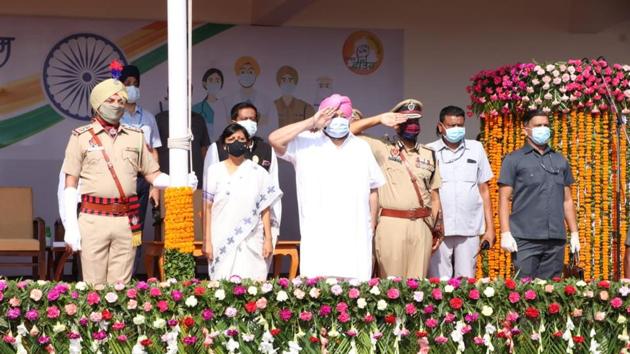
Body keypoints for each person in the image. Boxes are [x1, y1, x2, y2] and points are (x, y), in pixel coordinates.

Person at [61, 77, 196, 285]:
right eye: (111, 100)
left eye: (120, 101)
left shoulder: (135, 136)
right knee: (94, 287)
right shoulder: (80, 137)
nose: (116, 105)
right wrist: (70, 226)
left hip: (126, 221)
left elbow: (153, 175)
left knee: (121, 288)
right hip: (93, 219)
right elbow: (70, 184)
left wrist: (179, 181)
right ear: (97, 103)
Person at [269, 94, 385, 280]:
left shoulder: (361, 148)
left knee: (355, 297)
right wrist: (311, 122)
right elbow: (274, 139)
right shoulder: (306, 142)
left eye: (342, 116)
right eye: (333, 115)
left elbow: (373, 190)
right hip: (319, 239)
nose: (338, 120)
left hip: (354, 239)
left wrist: (370, 225)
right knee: (320, 296)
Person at [349, 99, 442, 278]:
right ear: (396, 125)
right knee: (392, 289)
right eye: (406, 122)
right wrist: (379, 118)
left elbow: (435, 196)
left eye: (415, 121)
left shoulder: (429, 154)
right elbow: (350, 131)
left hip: (422, 226)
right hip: (392, 223)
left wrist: (435, 230)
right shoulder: (382, 147)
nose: (412, 126)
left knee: (418, 289)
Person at [498, 109, 579, 279]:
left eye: (546, 125)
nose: (543, 129)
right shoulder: (513, 159)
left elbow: (567, 200)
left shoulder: (560, 160)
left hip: (555, 239)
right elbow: (504, 198)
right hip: (526, 238)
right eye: (538, 125)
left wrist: (574, 233)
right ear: (525, 129)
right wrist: (505, 233)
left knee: (552, 294)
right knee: (524, 292)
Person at [203, 124, 282, 280]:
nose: (236, 142)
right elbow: (207, 208)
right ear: (224, 145)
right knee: (221, 284)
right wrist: (207, 241)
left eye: (241, 139)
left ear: (247, 143)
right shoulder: (214, 171)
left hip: (252, 237)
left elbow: (265, 207)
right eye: (231, 139)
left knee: (252, 285)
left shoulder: (258, 172)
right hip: (221, 235)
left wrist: (268, 239)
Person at [426, 106, 494, 279]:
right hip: (439, 228)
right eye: (451, 125)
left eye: (460, 125)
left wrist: (490, 228)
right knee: (439, 282)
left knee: (466, 280)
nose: (456, 129)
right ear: (440, 127)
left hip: (469, 227)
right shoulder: (429, 150)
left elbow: (484, 190)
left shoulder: (476, 148)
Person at [119, 65, 163, 273]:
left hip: (142, 180)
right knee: (118, 228)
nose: (132, 89)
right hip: (118, 181)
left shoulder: (148, 118)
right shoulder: (113, 116)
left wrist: (155, 185)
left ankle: (131, 276)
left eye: (135, 84)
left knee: (136, 230)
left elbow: (154, 152)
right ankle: (114, 276)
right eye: (127, 84)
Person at [155, 110, 211, 189]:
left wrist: (205, 175)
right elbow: (154, 150)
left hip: (194, 179)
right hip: (167, 179)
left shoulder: (198, 119)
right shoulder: (160, 118)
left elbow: (203, 149)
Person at [225, 56, 271, 133]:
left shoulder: (267, 102)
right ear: (237, 75)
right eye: (242, 72)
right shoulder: (225, 101)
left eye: (250, 72)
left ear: (256, 74)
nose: (246, 75)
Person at [192, 67, 228, 139]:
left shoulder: (225, 106)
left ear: (221, 84)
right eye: (211, 80)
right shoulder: (196, 108)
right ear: (204, 83)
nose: (214, 83)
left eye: (217, 81)